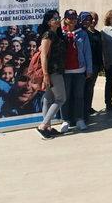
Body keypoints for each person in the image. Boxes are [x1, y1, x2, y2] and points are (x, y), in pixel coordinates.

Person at [60, 9, 93, 133]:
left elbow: (87, 52)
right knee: (66, 97)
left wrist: (89, 69)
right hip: (65, 71)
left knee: (79, 96)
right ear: (65, 19)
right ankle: (66, 120)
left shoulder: (82, 34)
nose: (72, 20)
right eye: (70, 18)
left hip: (79, 70)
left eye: (74, 18)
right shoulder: (60, 33)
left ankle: (79, 119)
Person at [35, 10, 66, 138]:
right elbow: (43, 55)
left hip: (55, 70)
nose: (58, 20)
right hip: (53, 71)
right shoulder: (48, 35)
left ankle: (47, 127)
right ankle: (43, 125)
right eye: (55, 19)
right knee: (61, 99)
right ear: (49, 22)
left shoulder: (55, 34)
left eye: (58, 17)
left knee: (48, 98)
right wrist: (46, 74)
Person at [82, 12, 102, 120]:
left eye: (95, 19)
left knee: (90, 87)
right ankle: (83, 109)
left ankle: (88, 107)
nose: (93, 21)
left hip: (95, 64)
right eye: (92, 19)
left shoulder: (98, 34)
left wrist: (101, 64)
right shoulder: (84, 33)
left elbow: (100, 50)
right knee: (85, 88)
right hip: (86, 65)